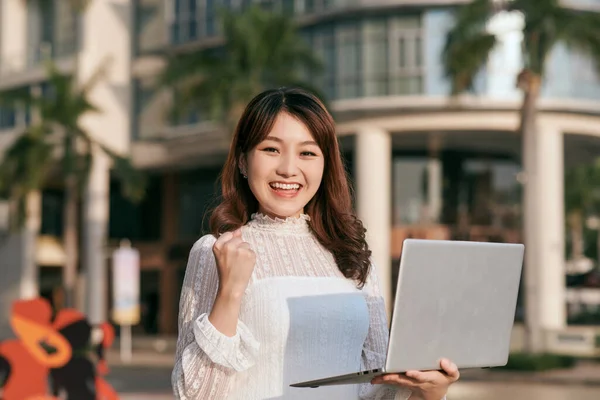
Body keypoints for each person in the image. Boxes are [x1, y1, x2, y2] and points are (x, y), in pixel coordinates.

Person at [172, 87, 460, 400]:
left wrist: (431, 392)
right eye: (271, 149)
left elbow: (380, 391)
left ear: (325, 165)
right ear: (243, 161)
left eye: (307, 153)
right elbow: (193, 393)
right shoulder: (217, 251)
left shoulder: (352, 257)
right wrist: (231, 291)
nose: (288, 168)